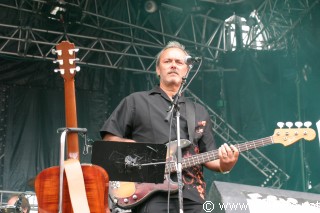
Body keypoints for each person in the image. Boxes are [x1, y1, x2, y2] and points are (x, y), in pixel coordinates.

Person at [100, 41, 239, 213]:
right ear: (158, 69)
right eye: (167, 61)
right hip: (150, 193)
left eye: (179, 62)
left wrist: (226, 164)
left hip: (193, 195)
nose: (173, 65)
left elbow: (209, 156)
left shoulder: (199, 111)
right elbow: (108, 141)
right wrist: (143, 154)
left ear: (186, 71)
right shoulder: (135, 101)